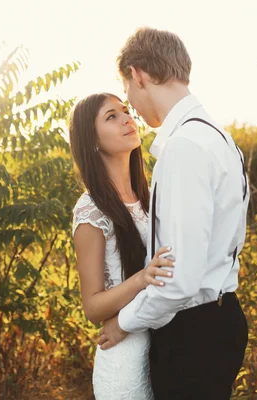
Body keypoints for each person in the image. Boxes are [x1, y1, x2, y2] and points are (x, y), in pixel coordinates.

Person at [98, 27, 250, 399]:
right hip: (217, 318)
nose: (131, 104)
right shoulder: (218, 136)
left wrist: (124, 324)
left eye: (128, 91)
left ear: (138, 75)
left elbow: (181, 278)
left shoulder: (184, 148)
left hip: (193, 333)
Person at [69, 92, 175, 399]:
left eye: (125, 111)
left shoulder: (149, 198)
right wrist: (142, 278)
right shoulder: (91, 209)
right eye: (111, 117)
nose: (127, 119)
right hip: (124, 362)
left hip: (166, 349)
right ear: (92, 141)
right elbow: (92, 306)